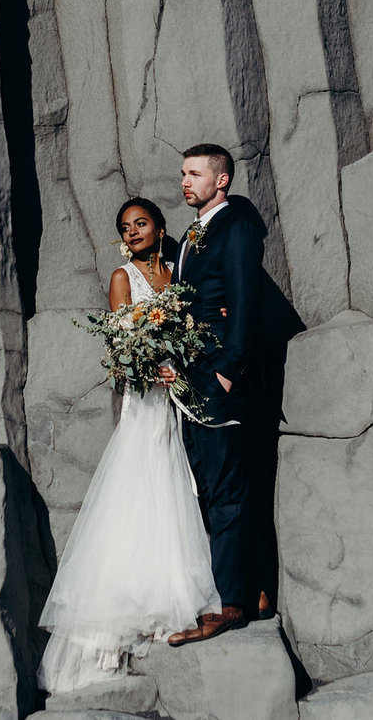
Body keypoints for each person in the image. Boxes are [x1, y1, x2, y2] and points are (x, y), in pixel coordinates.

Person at [36, 198, 220, 693]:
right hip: (147, 401)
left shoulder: (179, 271)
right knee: (144, 484)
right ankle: (135, 608)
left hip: (184, 392)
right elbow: (122, 346)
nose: (133, 232)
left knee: (184, 483)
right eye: (125, 227)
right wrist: (151, 362)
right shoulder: (123, 278)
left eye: (141, 224)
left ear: (160, 228)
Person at [163, 143, 279, 645]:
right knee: (214, 486)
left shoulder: (235, 226)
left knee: (225, 490)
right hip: (195, 374)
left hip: (219, 378)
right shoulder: (195, 231)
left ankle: (230, 604)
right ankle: (251, 590)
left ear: (222, 179)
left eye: (194, 174)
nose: (185, 182)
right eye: (183, 174)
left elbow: (243, 300)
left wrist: (228, 370)